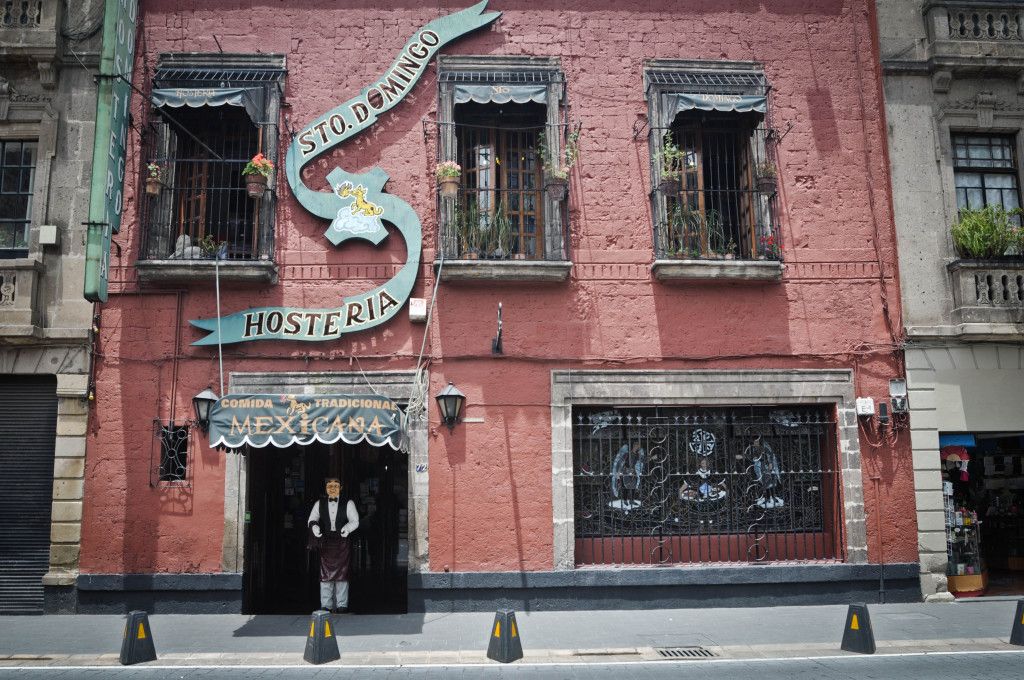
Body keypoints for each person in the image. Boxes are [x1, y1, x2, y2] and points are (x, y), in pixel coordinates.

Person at [308, 478, 359, 613]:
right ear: (326, 488)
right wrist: (315, 528)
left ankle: (342, 604)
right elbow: (312, 519)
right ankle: (326, 605)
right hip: (326, 542)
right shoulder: (319, 504)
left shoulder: (348, 503)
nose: (332, 488)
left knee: (342, 575)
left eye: (335, 486)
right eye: (329, 486)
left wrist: (347, 529)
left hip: (342, 542)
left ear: (340, 488)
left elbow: (355, 521)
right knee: (325, 575)